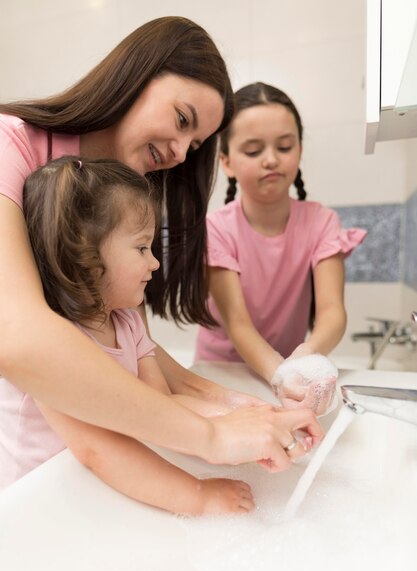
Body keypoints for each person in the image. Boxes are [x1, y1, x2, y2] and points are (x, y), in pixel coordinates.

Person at [0, 22, 323, 490]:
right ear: (136, 76)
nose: (178, 153)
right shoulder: (11, 146)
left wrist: (244, 409)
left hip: (80, 463)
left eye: (193, 147)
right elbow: (19, 339)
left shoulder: (119, 195)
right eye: (182, 119)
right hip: (34, 468)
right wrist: (211, 436)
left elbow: (139, 355)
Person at [194, 82, 367, 412]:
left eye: (284, 147)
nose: (271, 160)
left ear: (299, 150)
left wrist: (306, 355)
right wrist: (280, 374)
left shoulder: (322, 222)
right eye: (253, 150)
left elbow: (332, 311)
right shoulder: (216, 229)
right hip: (221, 374)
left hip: (291, 369)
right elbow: (238, 324)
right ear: (227, 162)